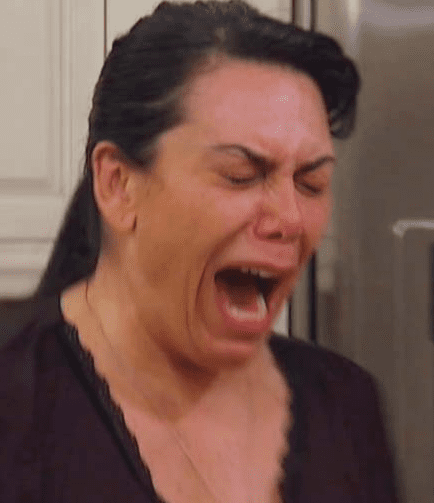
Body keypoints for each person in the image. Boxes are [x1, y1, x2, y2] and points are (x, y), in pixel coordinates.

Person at [0, 1, 398, 502]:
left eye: (311, 182)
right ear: (118, 186)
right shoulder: (15, 404)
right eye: (241, 175)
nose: (291, 219)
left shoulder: (348, 407)